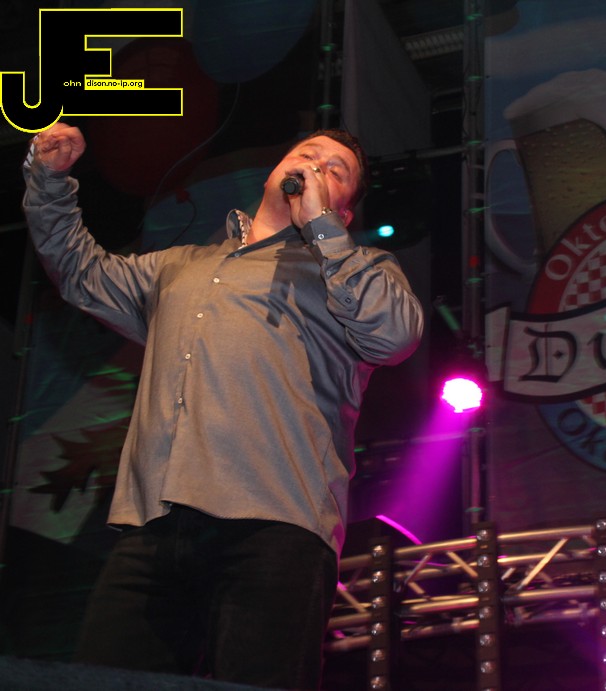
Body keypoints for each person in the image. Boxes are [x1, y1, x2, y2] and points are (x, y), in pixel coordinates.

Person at [22, 122, 425, 689]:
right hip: (154, 521)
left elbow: (395, 336)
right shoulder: (179, 266)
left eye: (334, 170)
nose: (314, 165)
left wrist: (324, 231)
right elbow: (79, 271)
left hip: (277, 525)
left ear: (344, 209)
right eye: (306, 154)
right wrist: (47, 180)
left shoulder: (358, 270)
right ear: (272, 172)